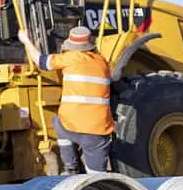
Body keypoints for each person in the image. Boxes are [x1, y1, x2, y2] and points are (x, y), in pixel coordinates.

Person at [19, 24, 114, 174]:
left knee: (57, 122)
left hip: (71, 126)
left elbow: (40, 60)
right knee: (97, 176)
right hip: (98, 129)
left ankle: (70, 167)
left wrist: (26, 41)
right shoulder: (102, 62)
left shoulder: (70, 58)